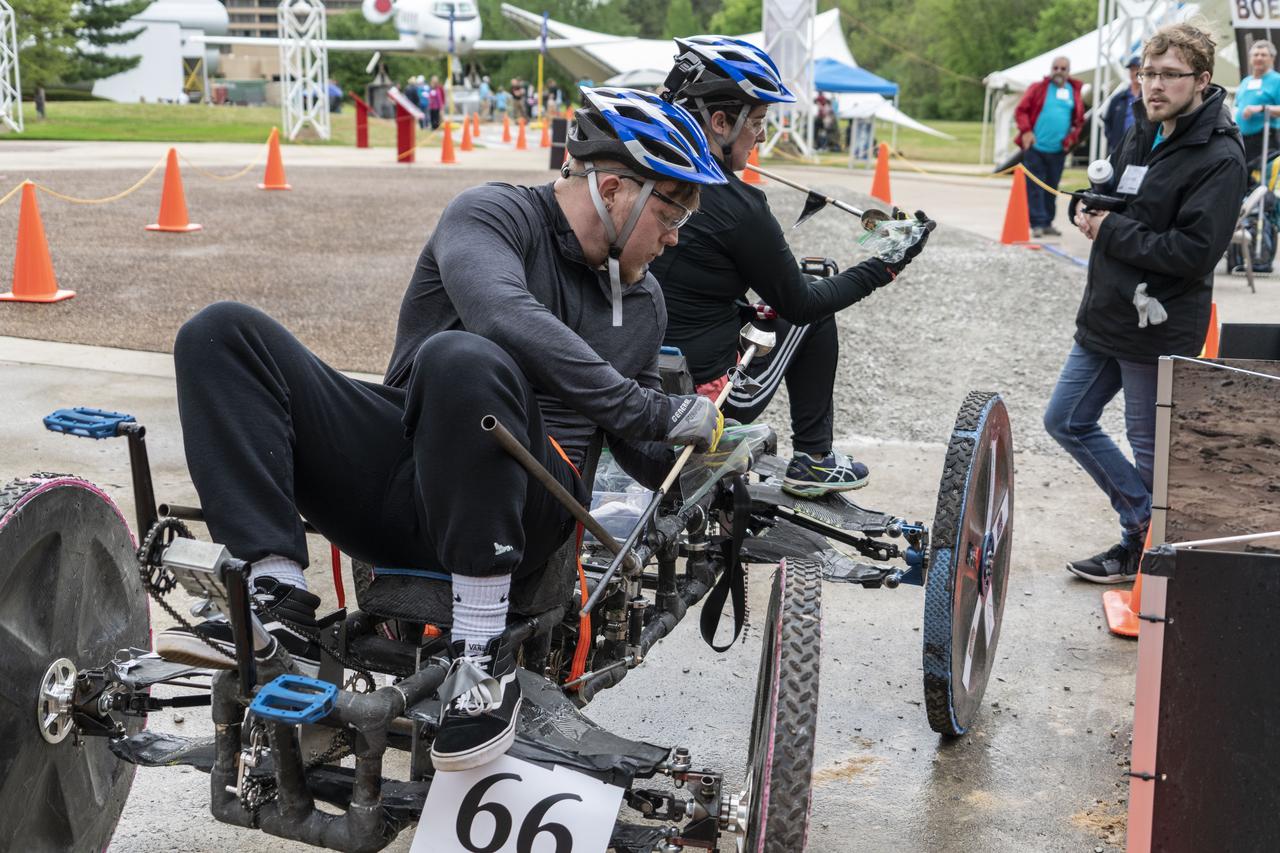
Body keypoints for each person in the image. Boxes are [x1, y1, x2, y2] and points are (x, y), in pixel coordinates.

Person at [157, 87, 728, 770]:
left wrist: (706, 457)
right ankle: (280, 606)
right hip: (402, 488)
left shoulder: (643, 303)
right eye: (673, 211)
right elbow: (500, 312)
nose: (676, 236)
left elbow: (638, 449)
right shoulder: (490, 215)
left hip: (529, 516)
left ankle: (480, 655)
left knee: (460, 361)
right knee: (220, 333)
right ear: (614, 187)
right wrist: (649, 408)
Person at [650, 36, 934, 497]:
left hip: (625, 379)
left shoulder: (637, 175)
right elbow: (801, 305)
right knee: (814, 299)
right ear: (719, 121)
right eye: (758, 122)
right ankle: (815, 460)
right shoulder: (739, 205)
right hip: (703, 396)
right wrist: (887, 263)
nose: (762, 136)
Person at [1047, 23, 1245, 583]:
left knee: (1150, 449)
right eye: (1146, 74)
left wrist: (1108, 230)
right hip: (1107, 313)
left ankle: (1159, 559)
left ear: (1202, 80)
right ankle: (1143, 528)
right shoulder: (1145, 128)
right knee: (1065, 419)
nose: (1153, 86)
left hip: (1157, 324)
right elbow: (1116, 193)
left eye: (1168, 75)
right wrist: (1085, 206)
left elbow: (1193, 252)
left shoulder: (1220, 156)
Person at [1014, 56, 1085, 238]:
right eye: (1056, 67)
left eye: (1063, 68)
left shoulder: (1073, 92)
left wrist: (1071, 138)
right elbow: (1021, 110)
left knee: (1051, 187)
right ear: (1051, 69)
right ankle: (1037, 223)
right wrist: (1026, 131)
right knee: (1035, 188)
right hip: (1036, 148)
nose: (1059, 71)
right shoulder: (1038, 88)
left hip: (1058, 151)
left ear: (1068, 72)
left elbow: (1078, 121)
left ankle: (1047, 222)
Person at [1233, 39, 1280, 168]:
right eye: (1255, 54)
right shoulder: (1246, 81)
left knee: (1260, 180)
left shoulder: (1277, 81)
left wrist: (1261, 108)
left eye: (1263, 55)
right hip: (1242, 139)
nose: (1259, 58)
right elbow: (1237, 106)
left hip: (1265, 140)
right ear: (1250, 58)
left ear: (1272, 58)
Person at [1103, 56, 1142, 151]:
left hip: (1142, 148)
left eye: (1138, 69)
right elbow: (1107, 122)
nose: (1135, 73)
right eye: (1132, 70)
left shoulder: (1150, 98)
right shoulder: (1117, 99)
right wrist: (1114, 143)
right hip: (1120, 149)